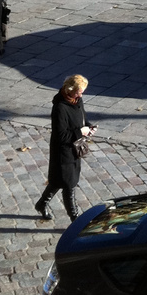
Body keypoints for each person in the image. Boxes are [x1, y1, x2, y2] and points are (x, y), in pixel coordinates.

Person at [35, 74, 95, 222]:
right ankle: (75, 220)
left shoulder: (77, 100)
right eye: (79, 91)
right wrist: (80, 132)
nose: (81, 94)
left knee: (57, 181)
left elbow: (82, 117)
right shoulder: (60, 108)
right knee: (69, 185)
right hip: (63, 152)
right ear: (70, 90)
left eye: (82, 91)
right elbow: (61, 135)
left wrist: (89, 126)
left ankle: (41, 204)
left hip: (75, 148)